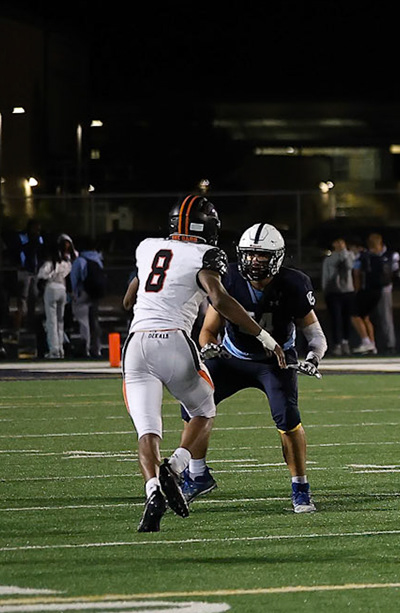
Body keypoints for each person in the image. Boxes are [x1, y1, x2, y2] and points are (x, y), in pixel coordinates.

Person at [121, 195, 285, 533]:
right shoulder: (206, 254)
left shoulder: (147, 247)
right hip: (173, 340)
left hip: (135, 345)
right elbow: (220, 299)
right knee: (204, 409)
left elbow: (128, 301)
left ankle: (152, 491)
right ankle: (177, 465)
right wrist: (264, 337)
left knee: (148, 430)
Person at [186, 223, 328, 513]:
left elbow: (316, 335)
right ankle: (197, 474)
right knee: (193, 405)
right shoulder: (229, 278)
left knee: (288, 419)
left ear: (276, 257)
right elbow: (208, 329)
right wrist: (209, 346)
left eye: (261, 255)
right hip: (231, 357)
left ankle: (300, 487)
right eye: (249, 254)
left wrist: (313, 358)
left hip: (276, 362)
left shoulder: (293, 283)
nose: (253, 261)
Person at [320, 238, 359, 354]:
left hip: (347, 291)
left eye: (342, 242)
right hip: (333, 292)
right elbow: (326, 275)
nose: (340, 244)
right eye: (338, 242)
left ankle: (345, 341)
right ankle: (337, 344)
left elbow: (348, 265)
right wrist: (325, 290)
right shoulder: (329, 258)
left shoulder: (350, 255)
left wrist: (344, 252)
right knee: (336, 319)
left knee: (347, 319)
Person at [36, 237, 73, 358]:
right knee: (60, 321)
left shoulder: (49, 263)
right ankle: (61, 348)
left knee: (51, 321)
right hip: (62, 289)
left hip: (51, 288)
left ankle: (54, 350)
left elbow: (41, 276)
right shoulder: (65, 263)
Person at [69, 241, 107, 357]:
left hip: (83, 292)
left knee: (83, 321)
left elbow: (74, 278)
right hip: (95, 294)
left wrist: (73, 293)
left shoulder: (80, 260)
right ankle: (97, 347)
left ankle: (85, 347)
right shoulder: (98, 260)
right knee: (94, 321)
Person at [368, 231, 398, 352]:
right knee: (371, 317)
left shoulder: (390, 255)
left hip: (384, 288)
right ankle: (374, 343)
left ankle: (390, 344)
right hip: (370, 288)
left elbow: (394, 271)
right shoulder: (368, 255)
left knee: (386, 316)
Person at [352, 238, 384, 353]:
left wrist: (356, 290)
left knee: (354, 315)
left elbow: (356, 273)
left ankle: (366, 342)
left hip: (366, 290)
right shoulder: (380, 257)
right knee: (365, 316)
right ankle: (372, 344)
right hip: (378, 291)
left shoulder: (363, 257)